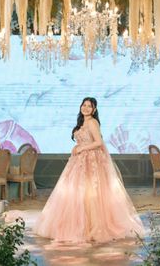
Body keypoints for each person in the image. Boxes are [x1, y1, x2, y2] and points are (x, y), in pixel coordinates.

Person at [33, 97, 144, 243]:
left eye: (89, 106)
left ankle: (92, 226)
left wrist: (81, 148)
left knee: (91, 194)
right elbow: (83, 140)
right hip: (78, 161)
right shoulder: (81, 122)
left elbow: (98, 142)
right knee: (75, 193)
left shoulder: (92, 122)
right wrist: (76, 147)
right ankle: (78, 225)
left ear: (94, 109)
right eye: (83, 105)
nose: (85, 108)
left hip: (91, 161)